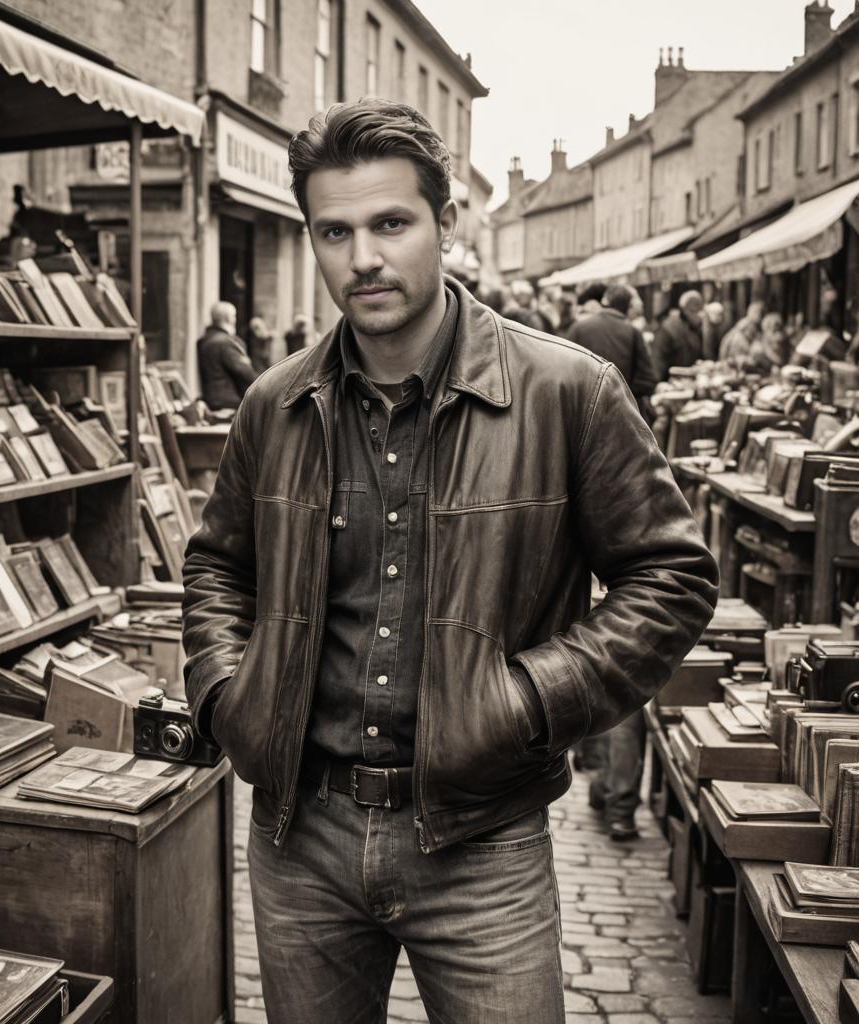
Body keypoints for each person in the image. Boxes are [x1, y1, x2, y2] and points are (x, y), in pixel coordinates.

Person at [182, 99, 718, 1024]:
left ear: (446, 224)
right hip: (299, 838)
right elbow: (217, 567)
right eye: (334, 231)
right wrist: (229, 695)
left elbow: (670, 578)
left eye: (392, 223)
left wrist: (527, 699)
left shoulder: (566, 392)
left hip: (483, 845)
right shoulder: (274, 403)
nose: (364, 258)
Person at [567, 284, 656, 421]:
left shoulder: (577, 328)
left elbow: (566, 374)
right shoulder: (632, 332)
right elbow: (647, 381)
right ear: (629, 306)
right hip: (622, 416)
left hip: (584, 415)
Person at [195, 301, 257, 411]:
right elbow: (246, 374)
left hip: (212, 399)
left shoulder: (204, 340)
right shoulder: (225, 343)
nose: (235, 319)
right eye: (234, 316)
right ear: (228, 318)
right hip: (229, 401)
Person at [653, 289, 705, 381]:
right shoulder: (668, 328)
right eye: (696, 311)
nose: (701, 316)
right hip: (671, 385)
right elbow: (658, 363)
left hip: (687, 382)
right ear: (686, 311)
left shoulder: (694, 328)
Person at [719, 300, 764, 365]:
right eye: (757, 313)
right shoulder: (744, 326)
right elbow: (728, 340)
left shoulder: (757, 327)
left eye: (761, 313)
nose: (759, 316)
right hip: (735, 359)